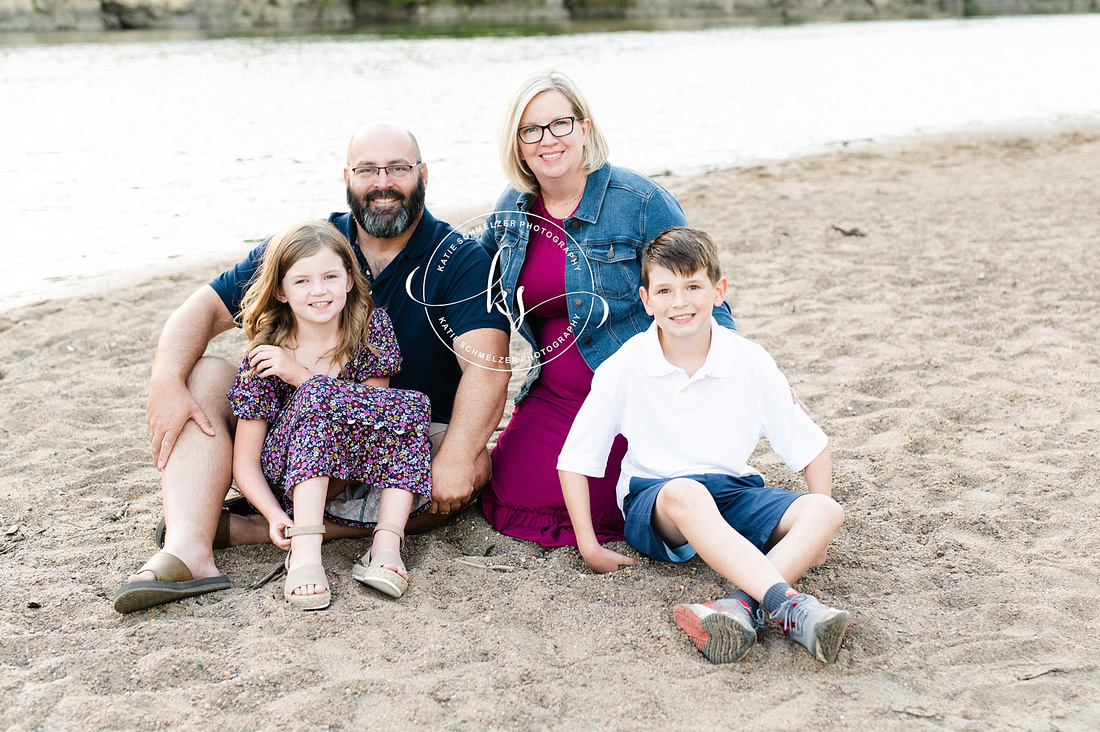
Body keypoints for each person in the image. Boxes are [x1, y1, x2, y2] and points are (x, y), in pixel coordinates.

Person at [114, 123, 510, 613]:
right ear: (347, 177)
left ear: (423, 174)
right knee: (204, 374)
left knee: (471, 462)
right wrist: (164, 382)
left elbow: (489, 368)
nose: (382, 181)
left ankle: (249, 529)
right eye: (367, 169)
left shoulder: (459, 258)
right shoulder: (311, 246)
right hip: (286, 449)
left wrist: (452, 459)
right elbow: (202, 309)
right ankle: (188, 547)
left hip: (390, 448)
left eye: (398, 169)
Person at [557, 227, 850, 664]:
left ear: (719, 290)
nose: (680, 302)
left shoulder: (749, 359)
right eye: (666, 290)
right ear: (646, 299)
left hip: (733, 492)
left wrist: (818, 536)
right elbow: (575, 459)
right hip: (658, 501)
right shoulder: (625, 366)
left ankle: (739, 608)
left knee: (826, 511)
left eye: (693, 286)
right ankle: (787, 605)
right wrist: (588, 545)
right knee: (686, 492)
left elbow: (812, 445)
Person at [478, 69, 737, 548]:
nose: (547, 140)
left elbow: (699, 293)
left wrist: (734, 372)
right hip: (553, 397)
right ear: (516, 144)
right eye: (530, 130)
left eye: (560, 124)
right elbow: (470, 268)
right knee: (508, 487)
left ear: (585, 127)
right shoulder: (512, 208)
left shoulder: (639, 202)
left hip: (632, 399)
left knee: (619, 500)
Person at [228, 220, 431, 609]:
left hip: (353, 472)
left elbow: (378, 419)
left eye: (330, 276)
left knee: (399, 409)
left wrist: (303, 377)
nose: (318, 290)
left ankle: (385, 546)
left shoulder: (370, 329)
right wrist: (272, 515)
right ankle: (305, 551)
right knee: (321, 396)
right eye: (301, 281)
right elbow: (246, 461)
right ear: (281, 292)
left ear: (350, 280)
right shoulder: (267, 355)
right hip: (287, 482)